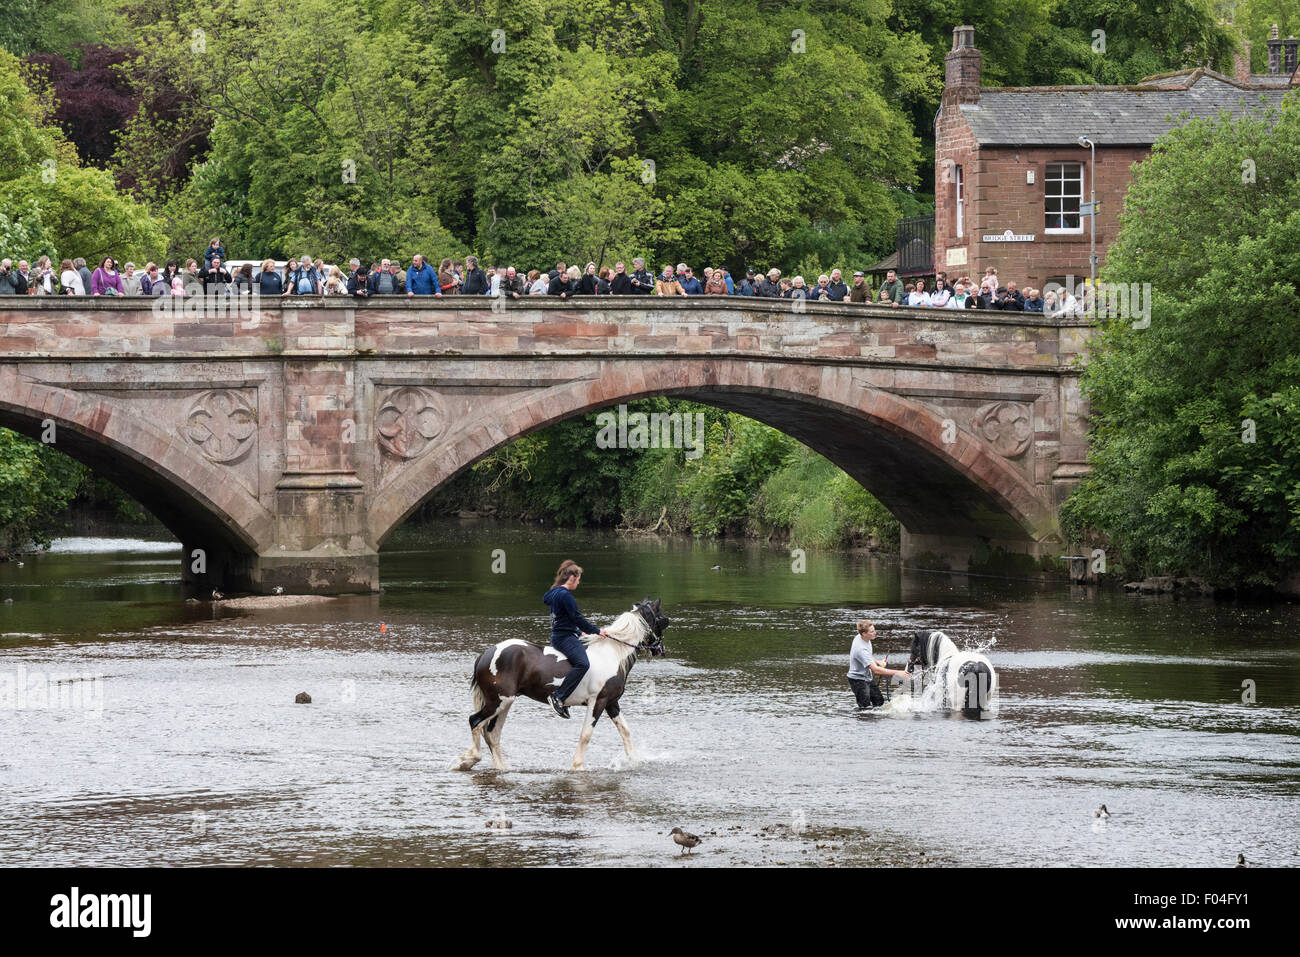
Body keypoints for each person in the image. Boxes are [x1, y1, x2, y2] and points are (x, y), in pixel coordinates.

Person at [542, 560, 609, 718]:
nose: (578, 583)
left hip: (562, 634)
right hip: (564, 638)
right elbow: (576, 617)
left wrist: (579, 632)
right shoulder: (565, 595)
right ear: (571, 578)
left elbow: (562, 615)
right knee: (583, 663)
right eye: (578, 579)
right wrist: (597, 631)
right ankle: (558, 697)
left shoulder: (555, 592)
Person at [847, 620, 909, 709]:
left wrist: (877, 661)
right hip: (857, 680)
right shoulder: (860, 649)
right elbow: (876, 670)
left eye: (874, 630)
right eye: (872, 632)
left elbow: (867, 656)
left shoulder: (862, 637)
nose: (875, 633)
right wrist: (898, 673)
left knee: (879, 702)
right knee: (865, 708)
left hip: (866, 677)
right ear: (864, 633)